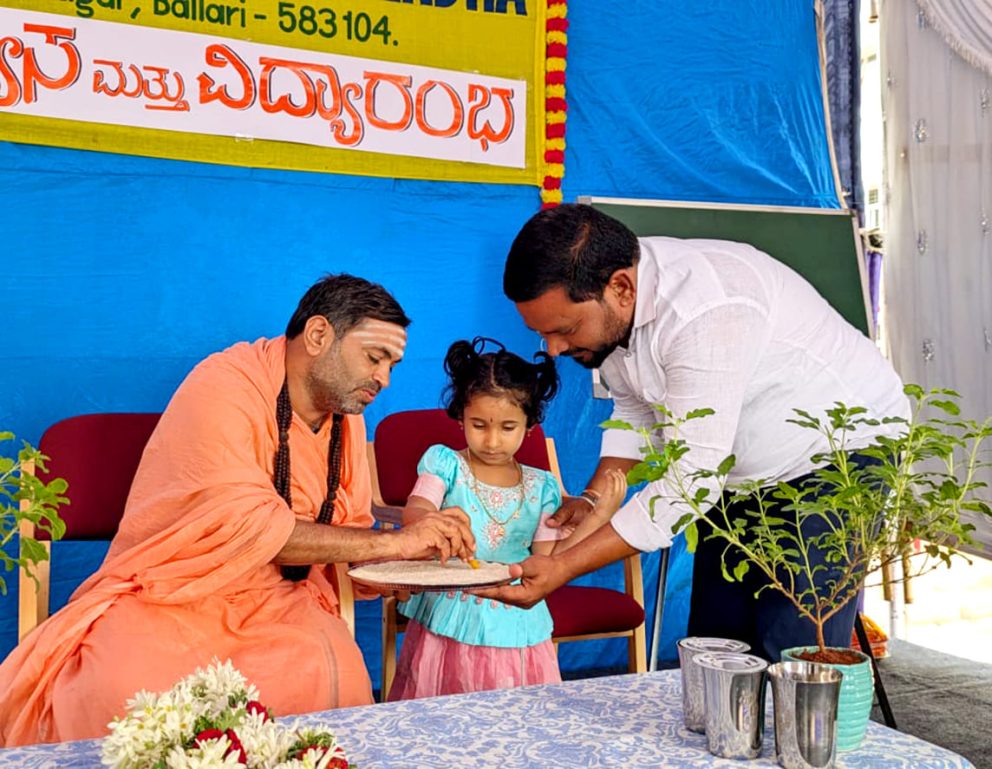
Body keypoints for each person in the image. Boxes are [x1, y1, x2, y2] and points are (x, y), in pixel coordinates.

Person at [0, 274, 476, 746]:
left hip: (283, 598)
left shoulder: (346, 420)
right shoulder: (224, 382)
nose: (384, 379)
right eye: (375, 358)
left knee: (337, 674)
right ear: (317, 335)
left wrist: (420, 563)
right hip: (173, 590)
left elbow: (349, 545)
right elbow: (249, 528)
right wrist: (394, 543)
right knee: (118, 683)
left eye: (392, 365)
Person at [478, 203, 910, 662]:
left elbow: (693, 479)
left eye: (565, 330)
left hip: (839, 455)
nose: (554, 349)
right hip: (735, 473)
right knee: (717, 649)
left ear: (621, 287)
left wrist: (563, 566)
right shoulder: (614, 310)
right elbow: (636, 409)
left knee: (793, 650)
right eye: (543, 334)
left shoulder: (708, 310)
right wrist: (591, 502)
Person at [388, 338, 627, 700]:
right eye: (479, 425)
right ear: (460, 417)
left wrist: (600, 516)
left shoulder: (541, 487)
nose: (492, 441)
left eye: (507, 427)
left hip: (519, 618)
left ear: (530, 425)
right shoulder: (445, 464)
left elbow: (550, 559)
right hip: (453, 612)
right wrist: (434, 523)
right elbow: (417, 509)